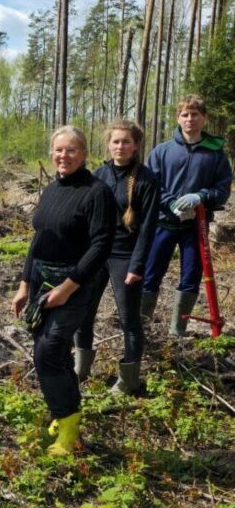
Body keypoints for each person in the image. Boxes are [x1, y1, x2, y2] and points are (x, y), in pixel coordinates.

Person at [11, 126, 114, 456]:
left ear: (84, 154)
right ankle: (64, 414)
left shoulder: (97, 193)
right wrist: (25, 284)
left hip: (77, 284)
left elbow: (100, 246)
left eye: (71, 150)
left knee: (49, 351)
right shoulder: (53, 189)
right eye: (58, 150)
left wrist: (69, 288)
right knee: (51, 351)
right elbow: (38, 239)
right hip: (43, 282)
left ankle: (68, 431)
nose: (63, 156)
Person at [73, 121, 160, 394]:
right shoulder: (98, 174)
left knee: (129, 320)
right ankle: (81, 369)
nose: (120, 146)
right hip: (96, 255)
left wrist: (137, 265)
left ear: (135, 145)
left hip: (126, 257)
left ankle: (129, 380)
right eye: (115, 142)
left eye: (125, 142)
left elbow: (147, 230)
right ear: (108, 144)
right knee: (83, 314)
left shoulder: (147, 180)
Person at [141, 95, 232, 336]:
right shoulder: (163, 151)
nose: (189, 119)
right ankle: (141, 328)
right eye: (185, 114)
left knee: (190, 276)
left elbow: (222, 190)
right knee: (150, 275)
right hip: (163, 224)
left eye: (195, 114)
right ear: (178, 118)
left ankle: (177, 330)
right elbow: (150, 185)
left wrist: (201, 197)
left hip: (196, 227)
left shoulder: (215, 154)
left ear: (204, 118)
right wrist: (169, 203)